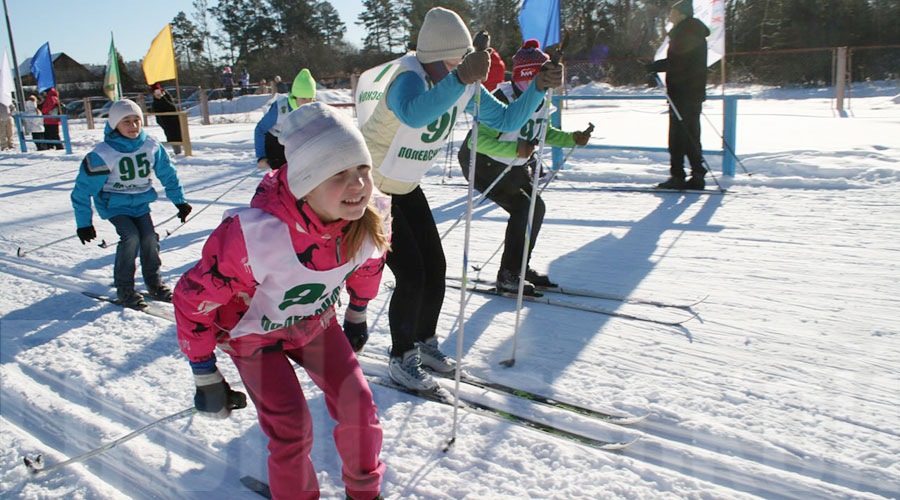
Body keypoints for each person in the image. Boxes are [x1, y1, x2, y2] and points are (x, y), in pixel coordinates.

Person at [173, 102, 389, 500]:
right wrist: (204, 372)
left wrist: (357, 312)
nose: (358, 184)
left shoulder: (368, 218)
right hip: (252, 336)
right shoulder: (255, 236)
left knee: (357, 404)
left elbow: (368, 267)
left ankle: (366, 493)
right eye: (338, 175)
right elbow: (192, 300)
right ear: (306, 183)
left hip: (314, 325)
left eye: (363, 170)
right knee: (291, 426)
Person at [358, 6, 563, 391]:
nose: (462, 69)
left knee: (436, 267)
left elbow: (504, 121)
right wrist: (460, 78)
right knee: (412, 275)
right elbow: (415, 114)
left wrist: (537, 89)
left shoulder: (460, 82)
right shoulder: (408, 77)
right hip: (374, 189)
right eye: (454, 62)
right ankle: (401, 357)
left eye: (464, 61)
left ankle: (424, 341)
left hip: (406, 184)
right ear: (435, 59)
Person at [458, 39, 593, 294]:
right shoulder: (502, 98)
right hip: (483, 162)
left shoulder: (539, 99)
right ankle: (509, 274)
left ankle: (518, 267)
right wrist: (515, 150)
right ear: (530, 76)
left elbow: (541, 132)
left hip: (511, 162)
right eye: (542, 78)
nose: (545, 84)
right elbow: (478, 142)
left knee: (534, 208)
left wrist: (571, 138)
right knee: (525, 208)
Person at [70, 99, 192, 309]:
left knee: (149, 237)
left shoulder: (150, 145)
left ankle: (154, 282)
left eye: (136, 120)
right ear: (115, 124)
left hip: (141, 203)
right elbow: (82, 191)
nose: (133, 126)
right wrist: (84, 223)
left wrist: (180, 202)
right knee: (131, 237)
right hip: (114, 205)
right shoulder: (104, 153)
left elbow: (168, 175)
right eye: (126, 121)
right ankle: (125, 288)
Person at [646, 0, 710, 190]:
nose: (670, 16)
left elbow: (679, 62)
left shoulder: (685, 32)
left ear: (682, 13)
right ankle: (696, 174)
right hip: (691, 92)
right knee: (690, 134)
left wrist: (655, 67)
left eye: (673, 12)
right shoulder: (692, 31)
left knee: (678, 136)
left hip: (683, 92)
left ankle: (679, 175)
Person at [254, 68, 316, 170]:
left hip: (294, 142)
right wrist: (261, 157)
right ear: (295, 97)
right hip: (275, 143)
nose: (307, 103)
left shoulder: (313, 109)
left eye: (311, 99)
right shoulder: (280, 108)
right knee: (285, 172)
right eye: (303, 98)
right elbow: (260, 129)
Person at [150, 83, 183, 155]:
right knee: (170, 136)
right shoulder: (155, 100)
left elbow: (171, 107)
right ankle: (177, 151)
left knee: (175, 136)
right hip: (164, 121)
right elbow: (155, 110)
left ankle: (178, 152)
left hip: (172, 120)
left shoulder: (166, 96)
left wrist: (162, 98)